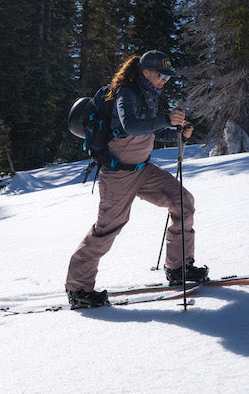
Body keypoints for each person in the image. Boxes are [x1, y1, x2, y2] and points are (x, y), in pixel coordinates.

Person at [65, 50, 209, 308]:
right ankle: (79, 290)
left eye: (167, 77)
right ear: (145, 72)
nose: (164, 81)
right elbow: (130, 126)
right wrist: (166, 119)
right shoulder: (127, 93)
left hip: (142, 170)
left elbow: (148, 134)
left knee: (183, 201)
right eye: (160, 75)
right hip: (118, 174)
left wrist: (177, 133)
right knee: (107, 228)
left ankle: (179, 269)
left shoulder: (150, 96)